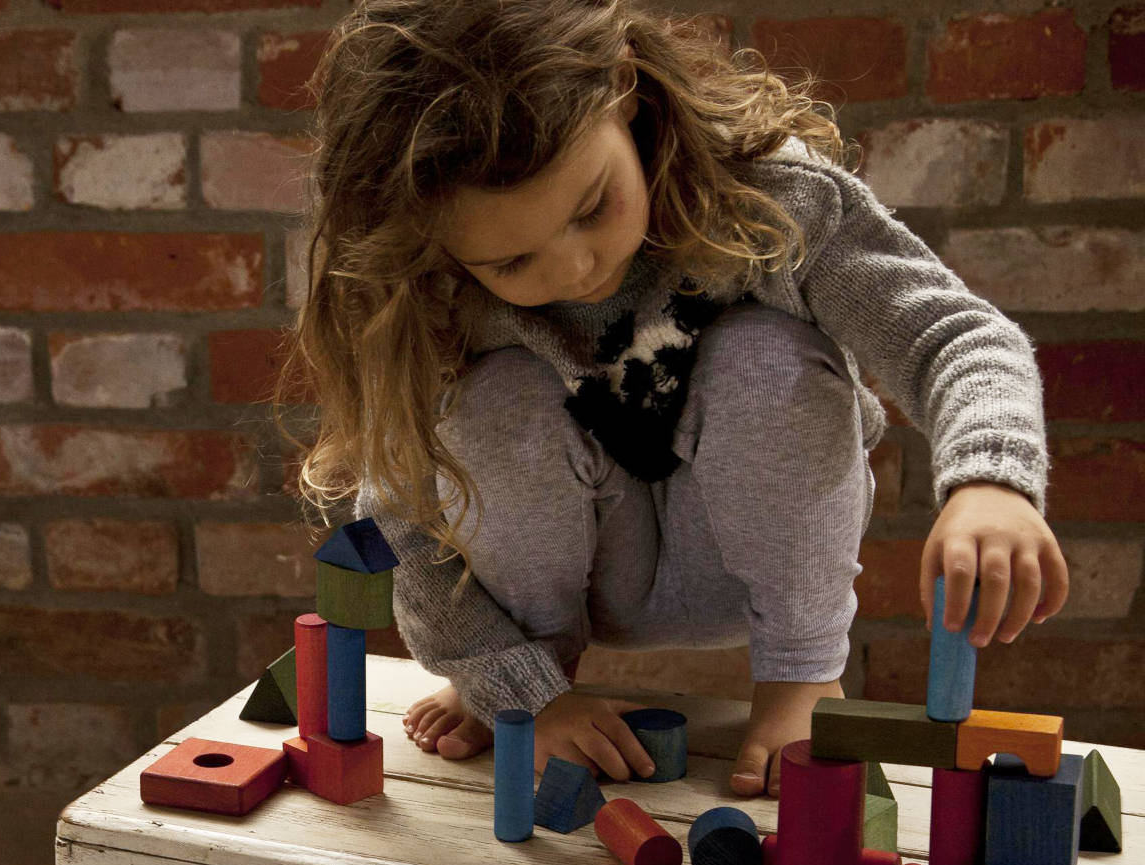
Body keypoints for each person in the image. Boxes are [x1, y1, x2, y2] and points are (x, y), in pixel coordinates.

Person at [278, 0, 1068, 798]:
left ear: (624, 87)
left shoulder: (772, 196)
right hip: (575, 573)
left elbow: (953, 335)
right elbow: (400, 522)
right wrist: (508, 680)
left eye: (592, 208)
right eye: (513, 262)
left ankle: (801, 677)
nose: (576, 268)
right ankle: (533, 670)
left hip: (751, 553)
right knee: (495, 402)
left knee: (766, 353)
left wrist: (990, 480)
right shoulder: (430, 293)